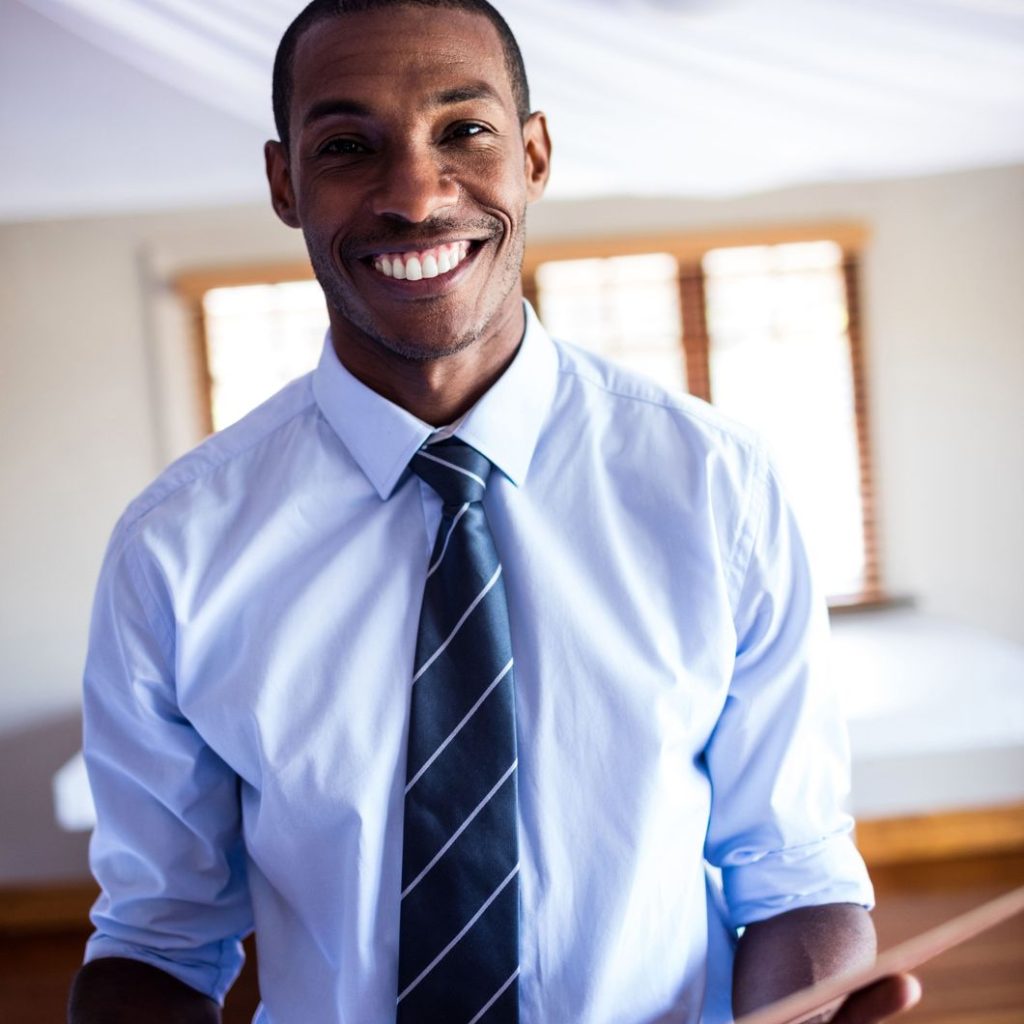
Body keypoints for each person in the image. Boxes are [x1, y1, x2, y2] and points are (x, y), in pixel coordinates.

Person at [69, 2, 923, 1022]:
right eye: (347, 147)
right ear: (284, 184)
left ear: (533, 155)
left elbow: (793, 877)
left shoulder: (715, 486)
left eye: (464, 130)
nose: (415, 195)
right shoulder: (174, 547)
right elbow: (156, 941)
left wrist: (810, 1010)